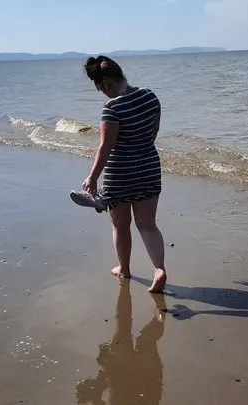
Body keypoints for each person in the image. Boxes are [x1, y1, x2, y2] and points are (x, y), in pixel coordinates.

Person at [78, 55, 167, 293]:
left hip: (120, 173)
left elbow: (105, 148)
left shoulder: (112, 108)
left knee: (120, 225)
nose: (103, 94)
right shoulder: (150, 95)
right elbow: (154, 130)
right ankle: (159, 269)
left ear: (106, 84)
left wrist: (92, 177)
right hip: (149, 167)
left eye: (100, 89)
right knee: (148, 225)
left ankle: (124, 269)